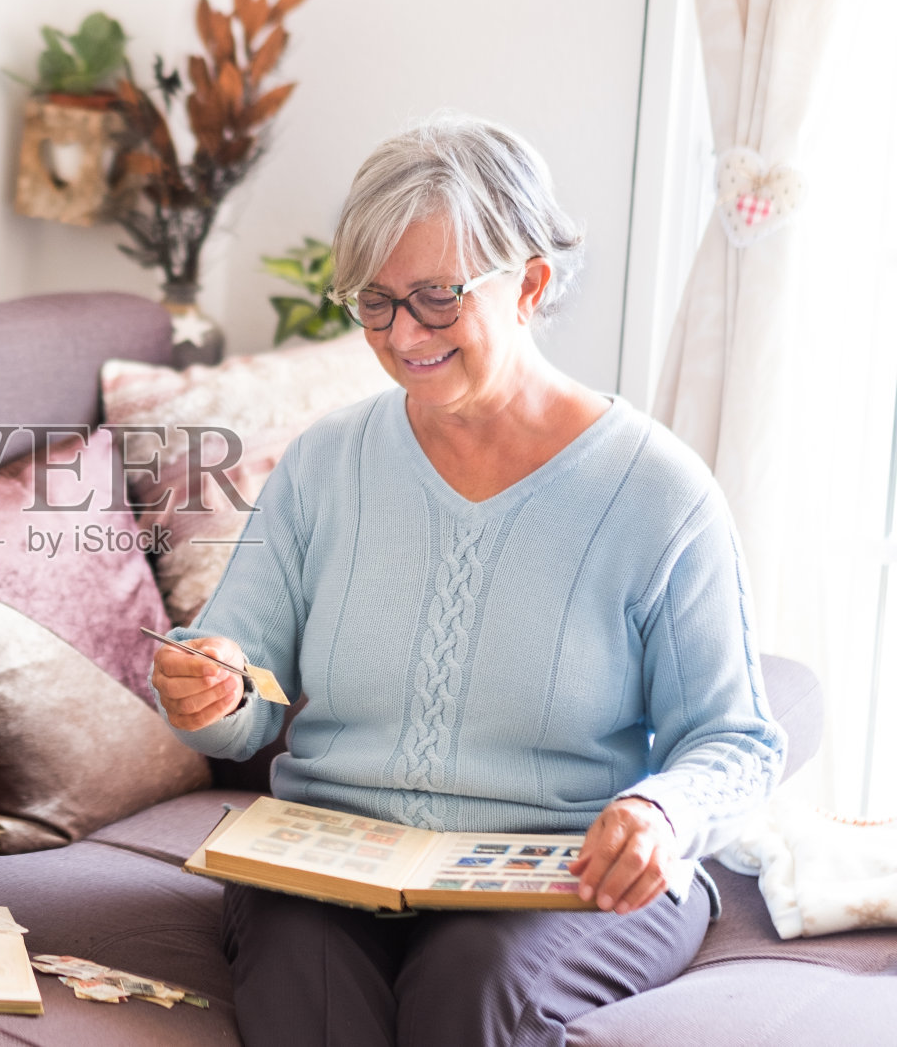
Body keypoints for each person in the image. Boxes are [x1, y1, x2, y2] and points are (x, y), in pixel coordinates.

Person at [150, 113, 784, 1047]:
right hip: (333, 859)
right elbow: (241, 688)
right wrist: (207, 684)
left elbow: (737, 742)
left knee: (472, 980)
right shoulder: (327, 463)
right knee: (304, 980)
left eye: (437, 297)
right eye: (374, 301)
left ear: (529, 283)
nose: (402, 334)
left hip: (560, 873)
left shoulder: (659, 494)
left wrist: (660, 808)